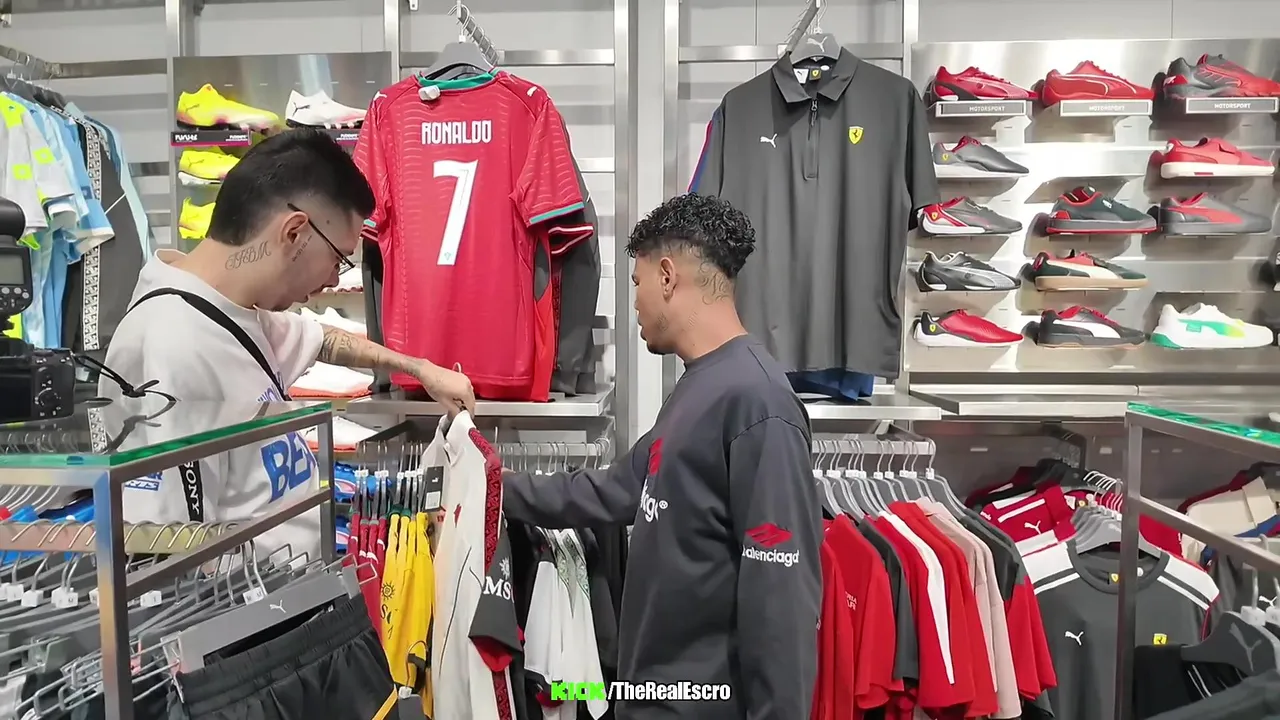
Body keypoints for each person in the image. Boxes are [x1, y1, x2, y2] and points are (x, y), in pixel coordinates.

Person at [502, 193, 822, 719]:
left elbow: (781, 600)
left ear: (668, 276)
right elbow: (615, 490)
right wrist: (499, 484)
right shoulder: (699, 387)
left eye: (637, 282)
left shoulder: (758, 403)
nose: (635, 302)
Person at [98, 129, 475, 561]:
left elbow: (323, 340)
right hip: (249, 601)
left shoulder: (232, 309)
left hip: (292, 588)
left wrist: (420, 368)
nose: (333, 279)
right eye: (338, 258)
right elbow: (162, 548)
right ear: (294, 232)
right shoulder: (172, 347)